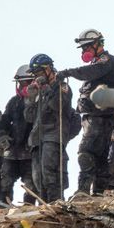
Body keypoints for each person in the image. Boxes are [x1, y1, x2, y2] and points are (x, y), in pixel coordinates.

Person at [58, 29, 114, 195]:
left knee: (86, 154)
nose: (84, 52)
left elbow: (91, 72)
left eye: (87, 47)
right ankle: (98, 194)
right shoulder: (99, 64)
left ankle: (83, 192)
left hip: (100, 119)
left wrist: (68, 72)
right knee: (101, 159)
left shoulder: (106, 61)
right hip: (97, 118)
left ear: (97, 44)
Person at [25, 54, 73, 203]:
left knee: (49, 173)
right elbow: (29, 117)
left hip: (53, 135)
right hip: (37, 138)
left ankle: (56, 203)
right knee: (37, 177)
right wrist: (31, 99)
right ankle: (44, 205)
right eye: (35, 75)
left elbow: (57, 105)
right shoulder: (40, 91)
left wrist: (46, 89)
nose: (37, 77)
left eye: (39, 73)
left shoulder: (62, 86)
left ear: (48, 69)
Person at [0, 65, 37, 204]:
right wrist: (2, 136)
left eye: (25, 83)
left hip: (31, 152)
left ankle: (29, 208)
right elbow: (3, 123)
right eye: (20, 83)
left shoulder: (41, 101)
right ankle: (4, 205)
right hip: (12, 151)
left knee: (31, 184)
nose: (21, 86)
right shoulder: (14, 102)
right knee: (5, 180)